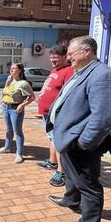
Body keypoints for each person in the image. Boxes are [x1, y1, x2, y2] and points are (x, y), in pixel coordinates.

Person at [46, 36, 111, 222]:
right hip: (68, 138)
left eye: (71, 53)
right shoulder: (81, 72)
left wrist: (84, 142)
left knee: (88, 185)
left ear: (87, 51)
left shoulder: (103, 75)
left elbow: (103, 116)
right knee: (71, 176)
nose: (68, 56)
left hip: (81, 143)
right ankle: (71, 200)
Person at [35, 45, 73, 186]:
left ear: (65, 57)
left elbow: (68, 95)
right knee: (51, 138)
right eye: (51, 57)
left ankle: (61, 172)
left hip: (58, 114)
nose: (52, 60)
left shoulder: (68, 71)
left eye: (56, 57)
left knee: (59, 142)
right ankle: (52, 162)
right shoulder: (55, 70)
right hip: (47, 114)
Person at [0, 63, 36, 163]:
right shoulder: (9, 80)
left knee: (17, 131)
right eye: (11, 68)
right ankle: (7, 147)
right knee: (8, 130)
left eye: (14, 68)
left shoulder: (24, 83)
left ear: (20, 70)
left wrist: (22, 105)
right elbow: (5, 92)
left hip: (16, 109)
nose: (11, 70)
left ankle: (19, 153)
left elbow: (32, 97)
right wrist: (3, 101)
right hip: (6, 107)